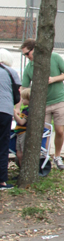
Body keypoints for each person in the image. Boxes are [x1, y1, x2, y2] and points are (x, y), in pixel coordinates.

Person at [20, 38, 64, 170]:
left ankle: (57, 156)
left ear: (35, 50)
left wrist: (53, 79)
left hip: (59, 100)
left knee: (59, 131)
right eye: (24, 55)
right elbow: (23, 88)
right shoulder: (29, 67)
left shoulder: (54, 58)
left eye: (27, 54)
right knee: (45, 133)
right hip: (43, 105)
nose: (26, 57)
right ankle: (44, 158)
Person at [0, 49, 21, 191]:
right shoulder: (11, 72)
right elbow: (17, 96)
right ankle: (1, 181)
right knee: (3, 145)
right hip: (4, 111)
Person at [14, 87, 31, 167]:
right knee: (19, 153)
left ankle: (24, 169)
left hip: (23, 133)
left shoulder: (28, 111)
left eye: (24, 99)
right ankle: (21, 170)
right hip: (19, 133)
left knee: (23, 153)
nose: (22, 100)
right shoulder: (25, 110)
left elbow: (21, 122)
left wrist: (14, 113)